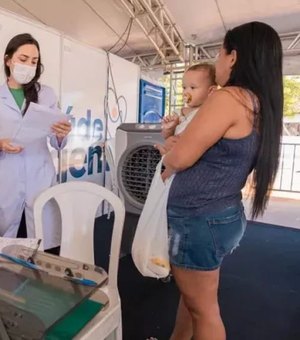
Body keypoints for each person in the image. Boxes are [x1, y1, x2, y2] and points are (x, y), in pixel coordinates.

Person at [162, 22, 283, 340]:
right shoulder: (258, 103)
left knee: (205, 311)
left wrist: (174, 148)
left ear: (233, 57)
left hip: (198, 218)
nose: (216, 61)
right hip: (221, 215)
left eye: (219, 52)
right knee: (193, 300)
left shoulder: (229, 98)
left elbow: (178, 159)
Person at [0, 33, 71, 252]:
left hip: (39, 178)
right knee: (8, 249)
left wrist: (61, 133)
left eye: (34, 61)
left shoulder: (46, 94)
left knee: (41, 248)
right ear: (8, 59)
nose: (29, 66)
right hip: (6, 180)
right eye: (23, 59)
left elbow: (56, 139)